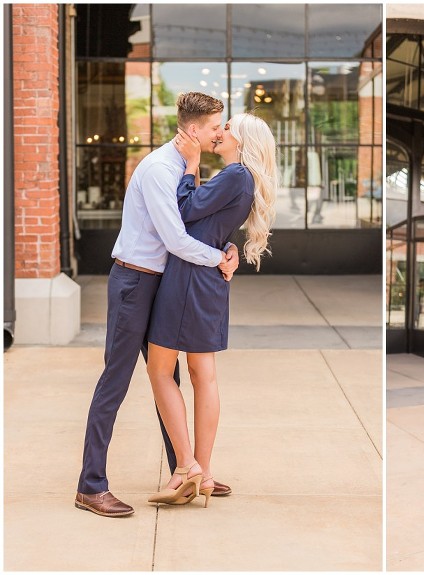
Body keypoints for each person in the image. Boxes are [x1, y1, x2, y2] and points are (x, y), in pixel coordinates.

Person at [75, 93, 239, 518]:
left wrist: (230, 245)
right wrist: (218, 259)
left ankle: (188, 470)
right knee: (115, 382)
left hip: (164, 284)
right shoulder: (158, 170)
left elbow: (200, 222)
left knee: (169, 378)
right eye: (216, 126)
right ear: (192, 130)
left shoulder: (187, 167)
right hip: (134, 283)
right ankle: (90, 486)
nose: (221, 132)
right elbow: (177, 240)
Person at [145, 112, 277, 507]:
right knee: (204, 375)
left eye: (228, 127)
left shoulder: (235, 175)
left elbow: (184, 210)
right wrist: (228, 249)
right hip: (209, 280)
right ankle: (203, 471)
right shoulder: (243, 179)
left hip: (189, 277)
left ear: (243, 140)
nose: (220, 132)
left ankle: (188, 468)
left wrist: (190, 166)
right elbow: (212, 224)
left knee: (159, 369)